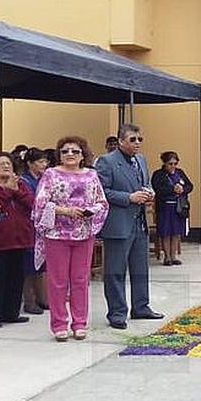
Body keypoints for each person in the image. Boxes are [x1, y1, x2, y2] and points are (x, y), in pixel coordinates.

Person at [32, 137, 109, 341]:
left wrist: (89, 211)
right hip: (56, 235)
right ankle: (59, 324)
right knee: (57, 282)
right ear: (59, 154)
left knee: (81, 280)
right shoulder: (50, 175)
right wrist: (64, 210)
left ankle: (80, 323)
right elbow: (40, 203)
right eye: (65, 151)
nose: (70, 155)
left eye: (75, 151)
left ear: (83, 155)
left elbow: (102, 202)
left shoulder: (92, 175)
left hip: (83, 234)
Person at [95, 123, 163, 329]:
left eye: (140, 139)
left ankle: (141, 306)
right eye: (133, 139)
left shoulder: (141, 160)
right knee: (115, 271)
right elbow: (101, 191)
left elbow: (147, 182)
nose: (137, 143)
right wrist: (129, 197)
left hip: (139, 222)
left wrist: (149, 192)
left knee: (140, 268)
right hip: (118, 223)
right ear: (121, 141)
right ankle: (117, 312)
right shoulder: (106, 162)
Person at [0, 152, 35, 328]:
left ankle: (11, 313)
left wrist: (16, 190)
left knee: (15, 278)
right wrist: (8, 191)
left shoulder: (20, 184)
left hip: (19, 239)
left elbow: (32, 203)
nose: (6, 166)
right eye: (1, 164)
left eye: (8, 163)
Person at [19, 148, 50, 315]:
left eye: (45, 161)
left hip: (42, 227)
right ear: (30, 163)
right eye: (40, 162)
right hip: (29, 225)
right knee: (29, 265)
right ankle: (29, 300)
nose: (44, 165)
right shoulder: (24, 181)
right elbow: (31, 202)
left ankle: (42, 298)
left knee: (41, 264)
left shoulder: (44, 179)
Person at [151, 151, 193, 266]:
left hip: (178, 207)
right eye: (170, 163)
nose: (173, 166)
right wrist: (172, 189)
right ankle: (167, 257)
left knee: (176, 232)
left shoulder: (180, 173)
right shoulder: (158, 174)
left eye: (175, 163)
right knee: (166, 232)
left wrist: (183, 189)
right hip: (165, 207)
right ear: (164, 163)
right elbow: (158, 189)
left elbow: (190, 186)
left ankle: (174, 256)